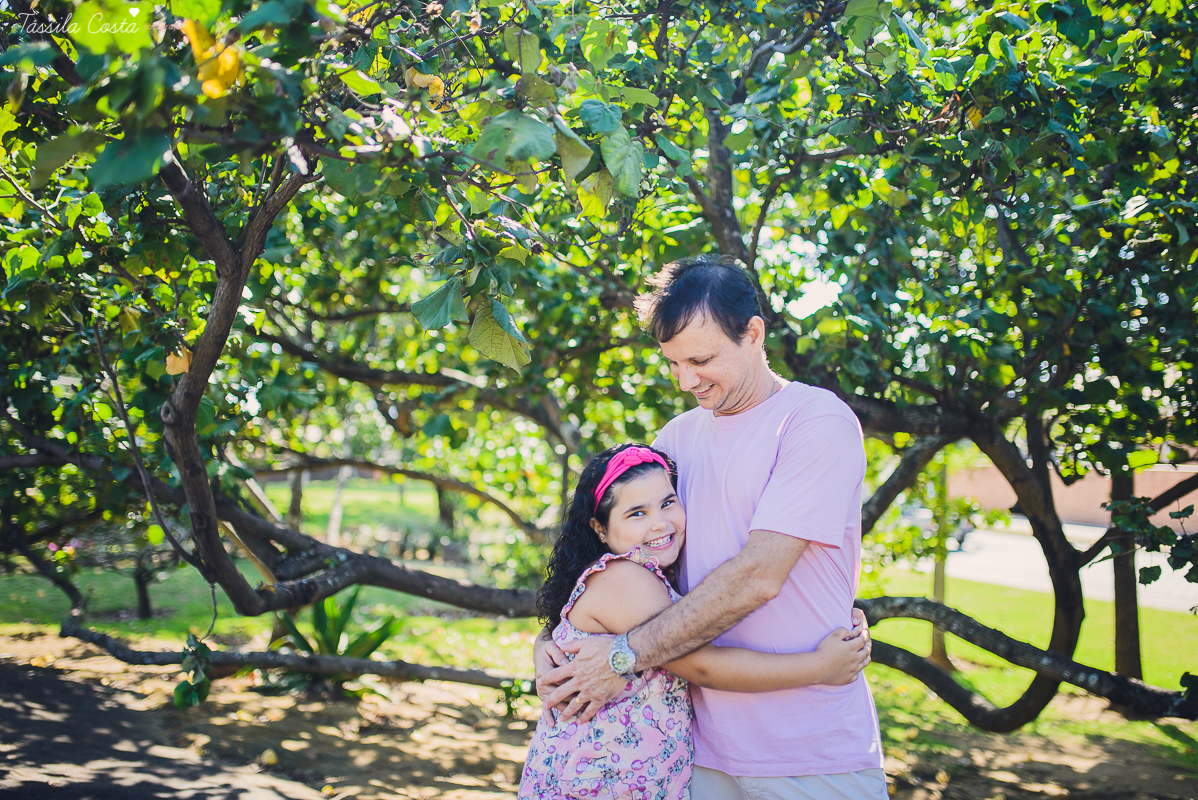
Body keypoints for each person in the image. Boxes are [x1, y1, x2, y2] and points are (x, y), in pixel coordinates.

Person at [536, 256, 887, 799]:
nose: (686, 380)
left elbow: (758, 577)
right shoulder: (675, 439)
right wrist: (551, 641)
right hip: (696, 751)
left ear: (753, 334)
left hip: (808, 748)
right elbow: (611, 564)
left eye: (701, 360)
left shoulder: (815, 422)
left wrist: (623, 656)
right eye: (673, 363)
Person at [519, 443, 871, 800]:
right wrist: (822, 667)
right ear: (600, 528)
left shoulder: (644, 574)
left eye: (667, 503)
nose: (660, 523)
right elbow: (703, 666)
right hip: (595, 782)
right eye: (637, 513)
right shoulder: (624, 578)